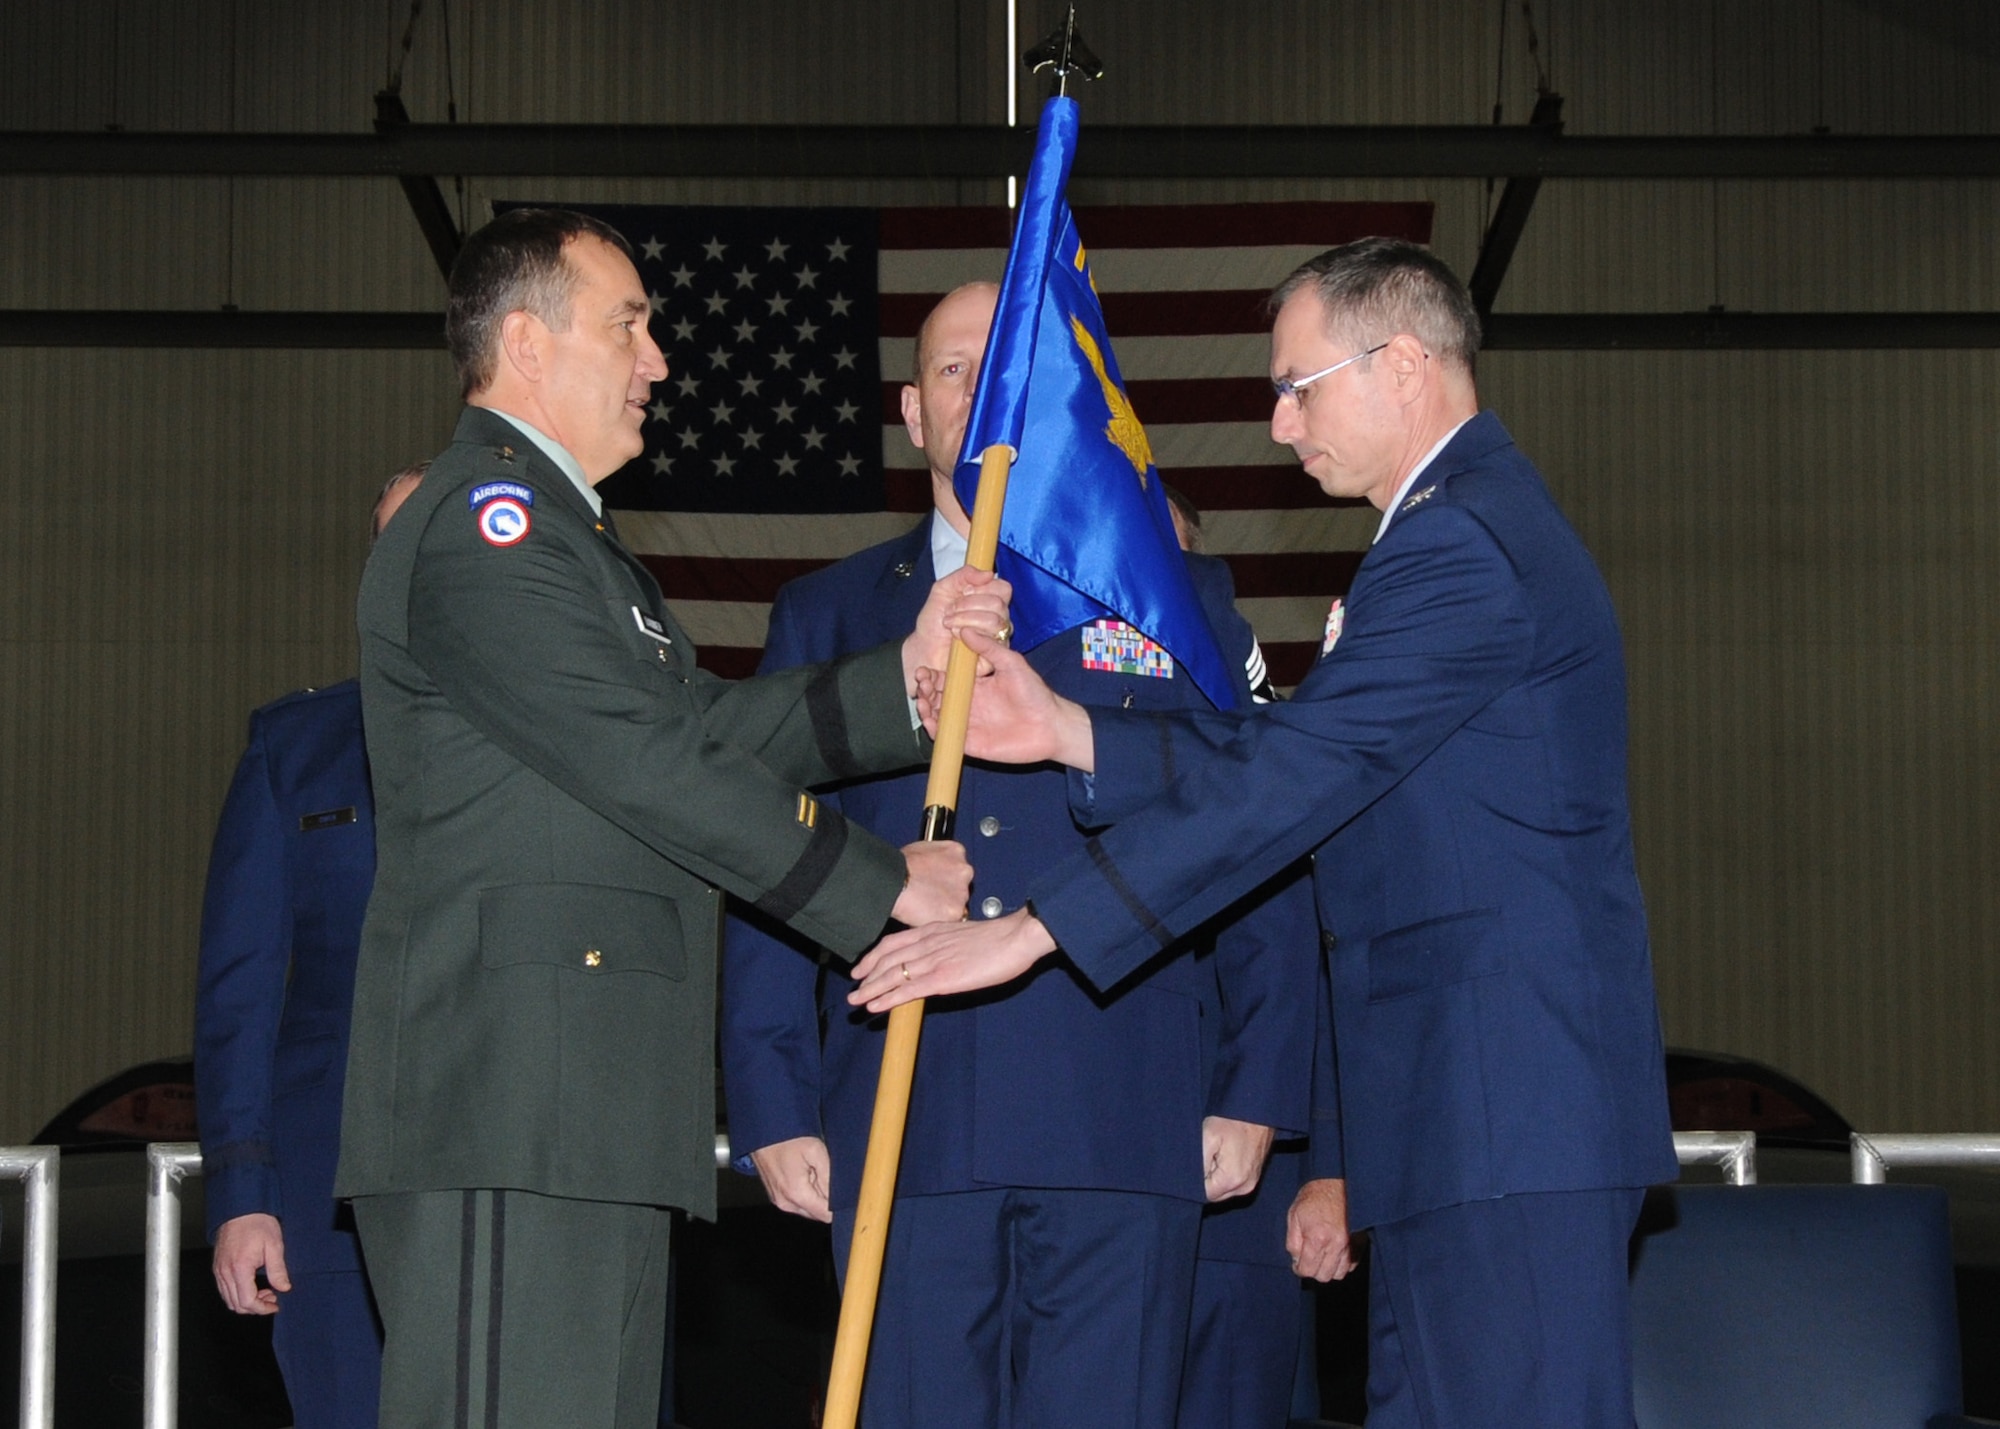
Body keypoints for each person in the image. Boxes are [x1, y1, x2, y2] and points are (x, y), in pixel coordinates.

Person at [850, 238, 1679, 1429]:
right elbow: (1297, 757)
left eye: (1299, 385)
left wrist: (1034, 929)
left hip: (1503, 1105)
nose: (1281, 425)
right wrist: (1080, 737)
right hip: (1466, 1111)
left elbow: (1295, 775)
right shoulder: (1445, 531)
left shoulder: (1461, 546)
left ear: (1398, 365)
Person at [336, 207, 1003, 1429]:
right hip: (510, 1105)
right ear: (528, 346)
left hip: (578, 1105)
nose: (658, 361)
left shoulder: (573, 541)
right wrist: (873, 888)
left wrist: (894, 683)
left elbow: (696, 728)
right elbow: (643, 759)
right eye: (629, 325)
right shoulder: (493, 529)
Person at [721, 282, 1318, 1429]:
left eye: (1008, 371)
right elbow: (759, 847)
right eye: (954, 370)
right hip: (900, 1108)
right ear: (912, 409)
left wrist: (1254, 1086)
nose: (980, 393)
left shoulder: (1170, 595)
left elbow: (1256, 832)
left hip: (1122, 1100)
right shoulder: (830, 610)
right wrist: (771, 1096)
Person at [193, 465, 424, 1429]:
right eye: (386, 541)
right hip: (328, 1201)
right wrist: (243, 1192)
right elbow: (239, 992)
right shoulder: (296, 747)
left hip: (519, 1191)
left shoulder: (566, 742)